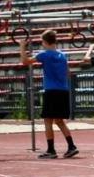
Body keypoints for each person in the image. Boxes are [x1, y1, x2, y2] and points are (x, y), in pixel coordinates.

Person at [20, 29, 79, 158]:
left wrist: (22, 47)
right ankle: (71, 146)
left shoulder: (45, 54)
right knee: (59, 121)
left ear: (45, 42)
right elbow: (68, 73)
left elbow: (25, 62)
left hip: (51, 90)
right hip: (63, 90)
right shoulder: (62, 55)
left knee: (48, 121)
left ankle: (51, 150)